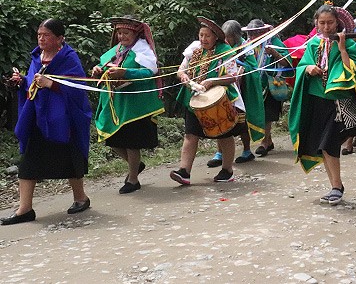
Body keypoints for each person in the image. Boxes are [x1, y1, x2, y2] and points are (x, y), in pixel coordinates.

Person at [2, 19, 92, 224]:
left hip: (62, 120)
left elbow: (78, 89)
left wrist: (51, 84)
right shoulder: (37, 56)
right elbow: (32, 82)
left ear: (60, 38)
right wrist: (21, 81)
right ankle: (24, 209)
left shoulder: (68, 58)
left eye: (46, 35)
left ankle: (81, 197)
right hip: (37, 117)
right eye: (39, 35)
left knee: (70, 158)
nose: (41, 39)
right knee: (28, 160)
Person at [287, 5, 356, 205]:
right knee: (323, 146)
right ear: (316, 23)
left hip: (337, 102)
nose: (326, 27)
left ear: (337, 22)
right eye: (321, 23)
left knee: (329, 144)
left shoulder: (347, 43)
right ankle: (335, 186)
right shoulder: (313, 44)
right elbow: (302, 67)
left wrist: (341, 49)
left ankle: (337, 187)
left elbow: (354, 69)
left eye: (330, 22)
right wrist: (309, 69)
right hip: (316, 100)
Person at [170, 17, 246, 185]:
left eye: (207, 36)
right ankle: (184, 172)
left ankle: (227, 170)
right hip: (195, 99)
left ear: (216, 37)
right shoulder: (195, 49)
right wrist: (183, 75)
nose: (203, 39)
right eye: (201, 35)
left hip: (219, 99)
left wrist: (212, 81)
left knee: (224, 135)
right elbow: (181, 69)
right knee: (190, 134)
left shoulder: (225, 51)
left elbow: (233, 76)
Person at [92, 17, 164, 194]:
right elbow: (104, 67)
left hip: (135, 104)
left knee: (132, 142)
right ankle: (136, 165)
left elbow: (149, 72)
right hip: (116, 103)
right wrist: (98, 70)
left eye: (126, 33)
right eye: (119, 33)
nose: (122, 36)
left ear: (135, 34)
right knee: (113, 140)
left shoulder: (142, 50)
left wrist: (126, 72)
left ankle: (133, 179)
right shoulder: (116, 51)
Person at [205, 20, 266, 166]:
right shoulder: (220, 47)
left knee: (242, 122)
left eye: (230, 37)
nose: (227, 40)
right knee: (220, 120)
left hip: (242, 91)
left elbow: (253, 68)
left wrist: (240, 66)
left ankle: (246, 151)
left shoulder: (246, 47)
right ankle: (219, 153)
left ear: (236, 36)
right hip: (222, 90)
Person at [242, 19, 292, 156]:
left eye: (257, 33)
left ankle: (264, 143)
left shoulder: (275, 43)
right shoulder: (246, 46)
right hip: (253, 84)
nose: (253, 37)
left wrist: (275, 54)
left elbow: (287, 63)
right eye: (251, 34)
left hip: (270, 84)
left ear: (264, 32)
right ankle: (268, 141)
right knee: (256, 112)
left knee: (267, 115)